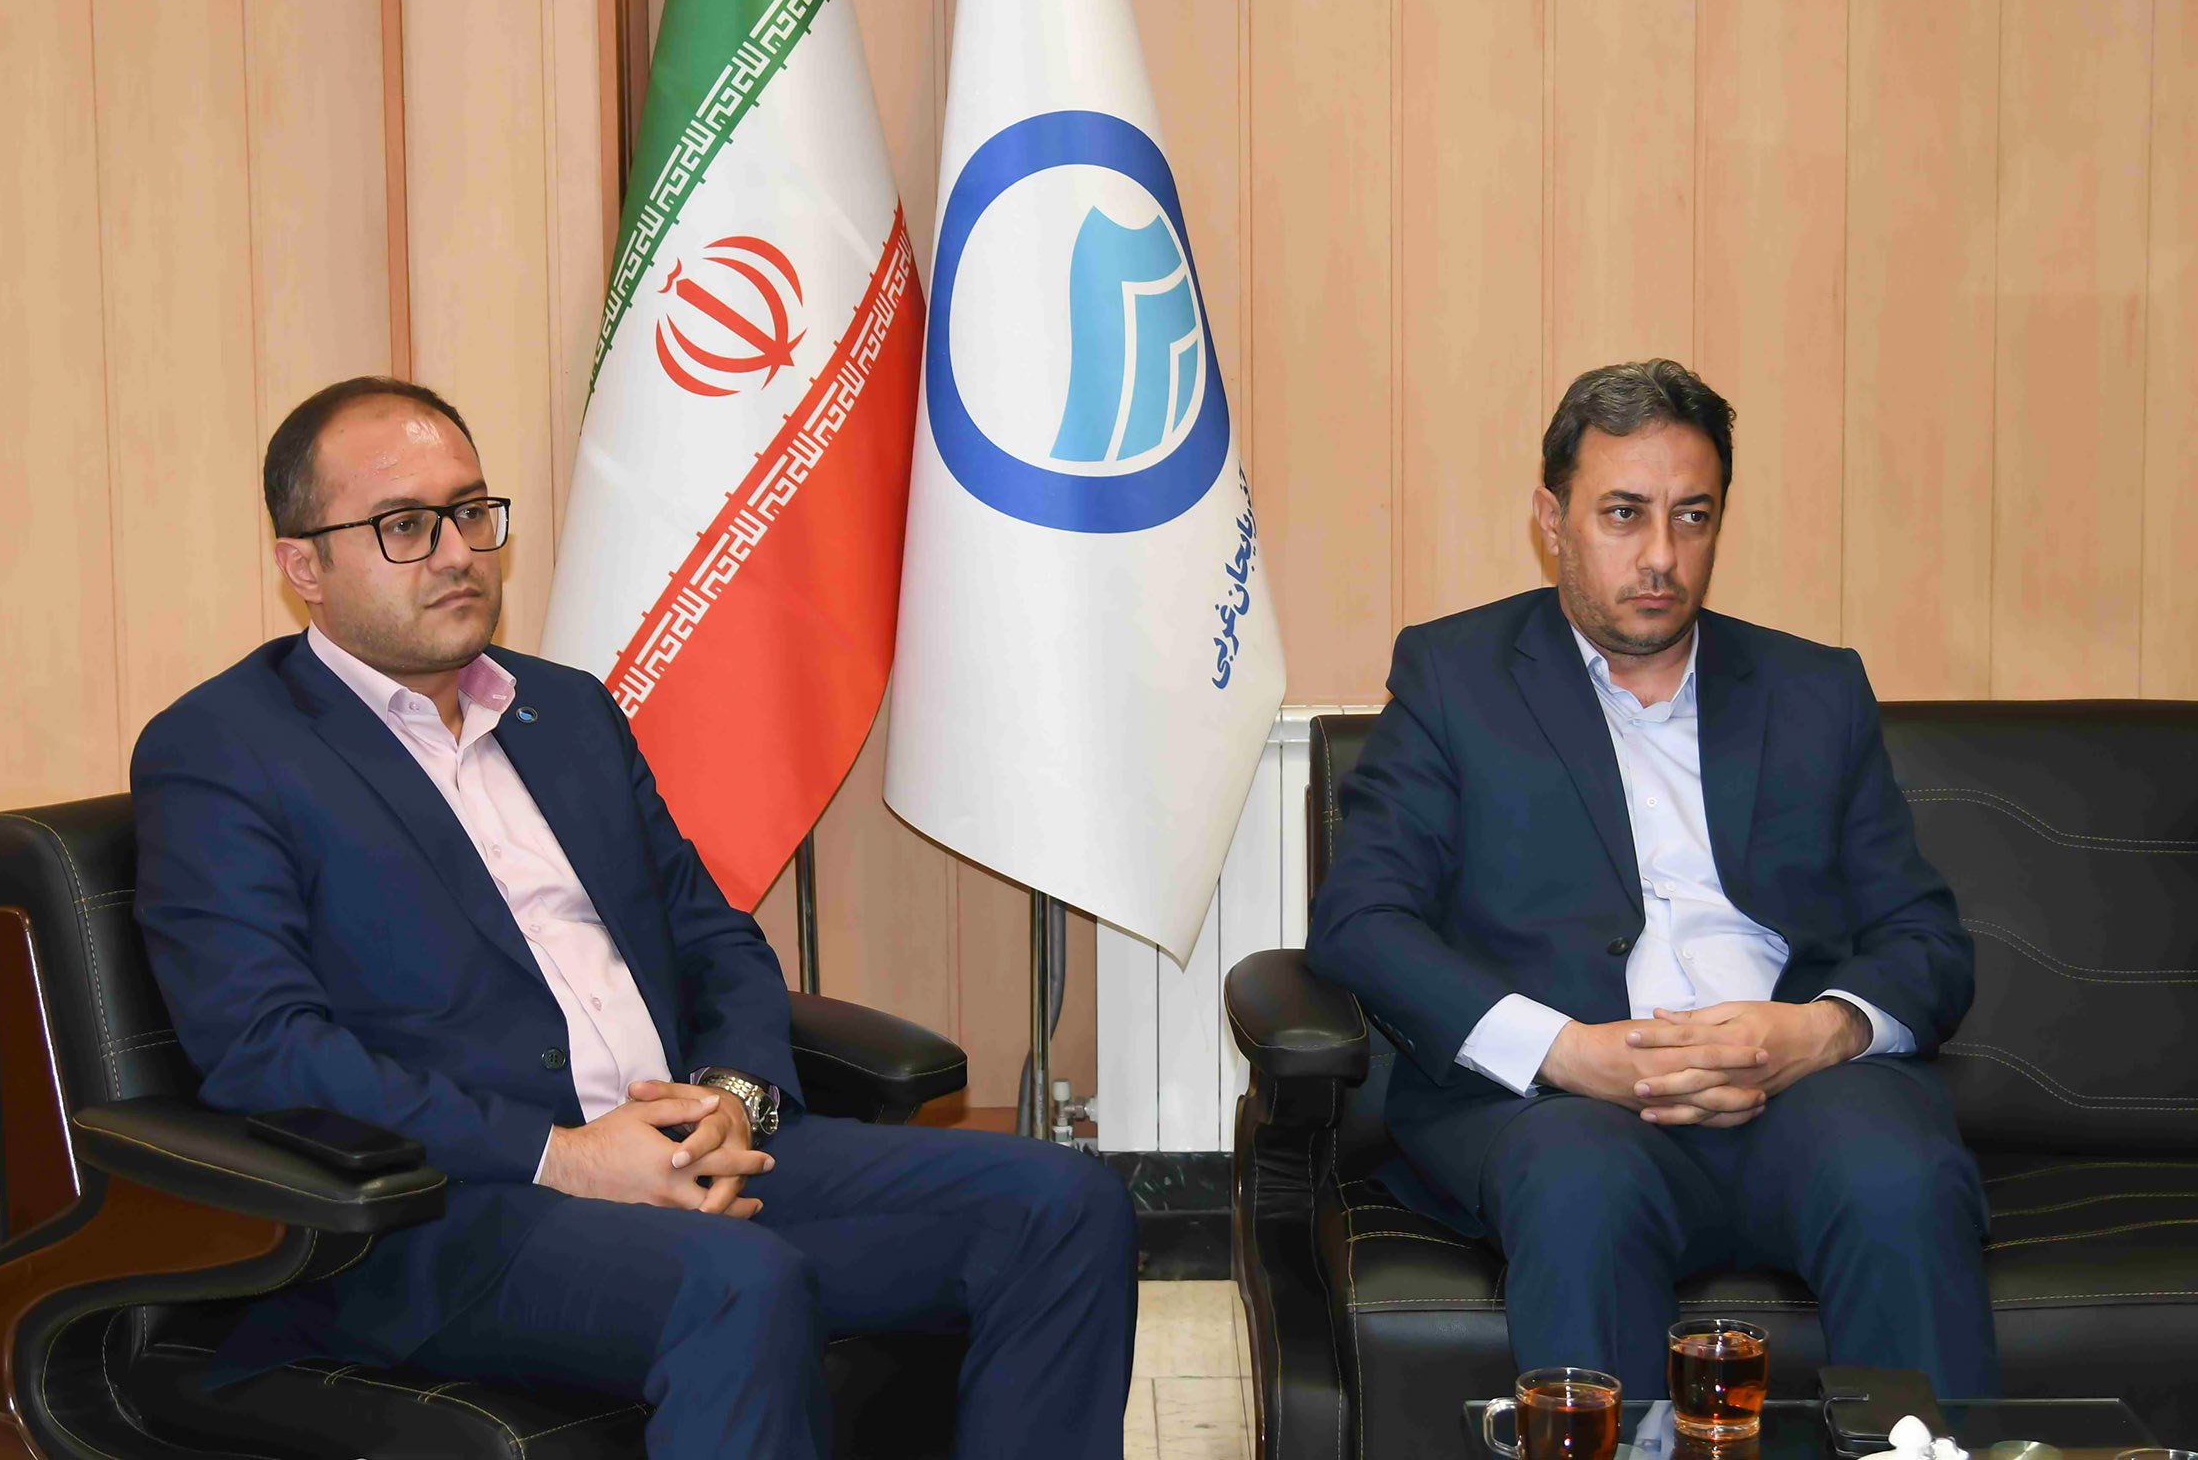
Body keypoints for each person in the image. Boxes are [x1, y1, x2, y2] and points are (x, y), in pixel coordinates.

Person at [131, 375, 1136, 1460]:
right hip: (447, 1216)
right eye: (404, 526)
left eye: (470, 512)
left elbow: (713, 939)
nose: (458, 552)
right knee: (736, 1283)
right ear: (303, 567)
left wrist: (734, 1100)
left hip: (684, 1151)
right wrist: (561, 1156)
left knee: (1063, 1205)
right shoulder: (225, 750)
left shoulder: (567, 711)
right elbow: (267, 1051)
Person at [1305, 360, 1994, 1396]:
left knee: (1903, 1177)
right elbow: (1361, 919)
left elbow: (1925, 940)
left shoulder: (1815, 690)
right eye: (1623, 514)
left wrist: (1815, 1033)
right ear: (1552, 519)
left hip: (1801, 1094)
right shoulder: (1455, 678)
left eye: (1692, 516)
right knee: (1579, 1190)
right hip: (1567, 1110)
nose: (1662, 556)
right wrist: (1568, 1053)